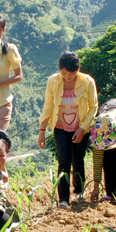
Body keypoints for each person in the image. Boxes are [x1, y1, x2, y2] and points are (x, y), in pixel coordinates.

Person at [38, 51, 98, 208]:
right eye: (64, 73)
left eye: (72, 73)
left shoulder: (88, 82)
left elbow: (93, 107)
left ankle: (79, 192)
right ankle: (63, 198)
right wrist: (42, 131)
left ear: (78, 69)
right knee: (63, 160)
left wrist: (83, 128)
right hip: (60, 126)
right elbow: (48, 106)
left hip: (80, 126)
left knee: (78, 159)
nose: (68, 76)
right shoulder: (53, 81)